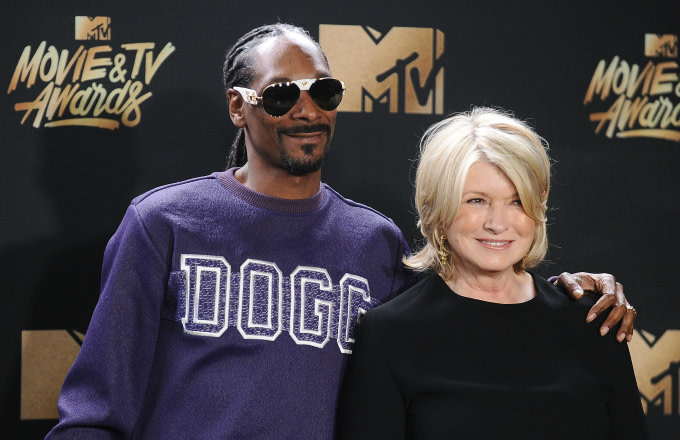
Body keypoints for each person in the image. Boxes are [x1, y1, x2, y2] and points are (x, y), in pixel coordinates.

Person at [45, 24, 636, 440]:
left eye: (323, 91)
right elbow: (93, 414)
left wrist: (568, 293)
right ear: (237, 106)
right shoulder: (163, 223)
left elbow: (467, 328)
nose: (308, 110)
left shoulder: (375, 242)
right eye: (280, 95)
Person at [335, 107, 648, 439]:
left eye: (516, 202)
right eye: (476, 201)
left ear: (538, 208)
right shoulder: (390, 334)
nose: (498, 224)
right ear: (438, 209)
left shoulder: (594, 321)